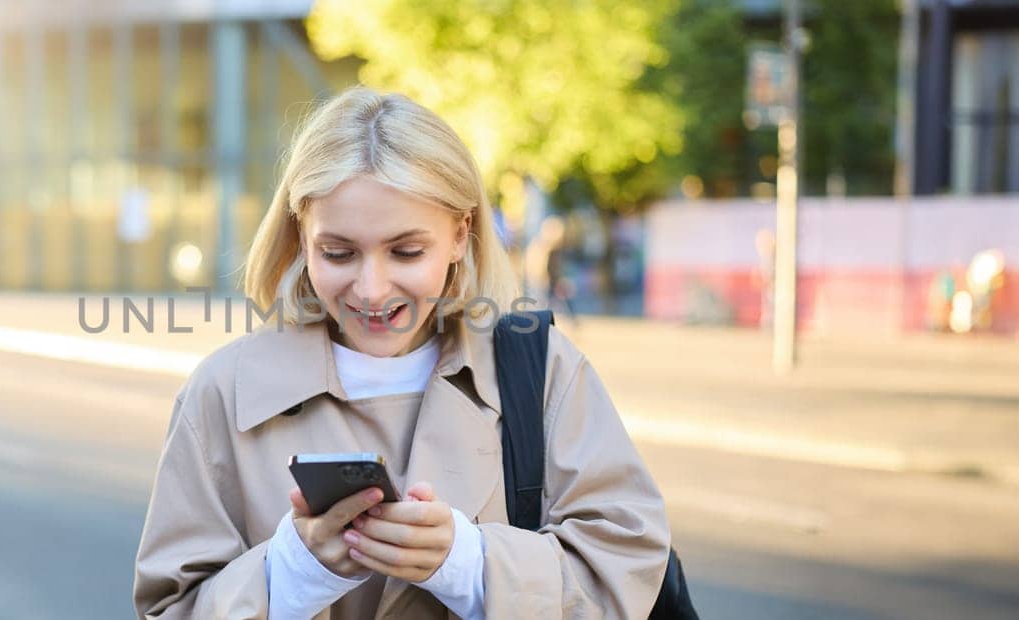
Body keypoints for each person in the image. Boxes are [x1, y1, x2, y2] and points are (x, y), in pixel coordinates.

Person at [132, 88, 671, 619]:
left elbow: (622, 567)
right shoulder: (222, 392)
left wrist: (469, 563)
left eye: (406, 252)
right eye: (337, 253)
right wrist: (293, 571)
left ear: (460, 235)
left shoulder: (542, 369)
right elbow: (170, 606)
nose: (371, 288)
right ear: (301, 238)